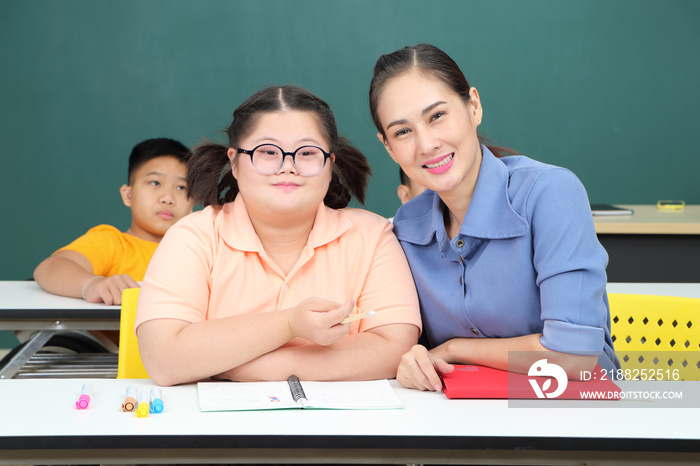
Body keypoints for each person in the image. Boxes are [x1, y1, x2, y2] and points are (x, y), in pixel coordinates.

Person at [369, 44, 620, 391]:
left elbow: (574, 357)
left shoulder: (551, 194)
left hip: (575, 414)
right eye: (402, 131)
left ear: (473, 106)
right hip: (464, 420)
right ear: (388, 147)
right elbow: (411, 349)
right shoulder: (407, 228)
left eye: (437, 116)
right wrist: (413, 360)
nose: (426, 144)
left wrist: (456, 350)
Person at [135, 85, 421, 387]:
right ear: (234, 161)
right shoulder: (192, 237)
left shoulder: (373, 236)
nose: (288, 166)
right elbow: (164, 358)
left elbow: (395, 347)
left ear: (329, 165)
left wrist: (234, 365)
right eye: (268, 152)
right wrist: (289, 323)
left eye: (308, 153)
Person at [34, 138, 194, 305]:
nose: (167, 198)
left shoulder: (203, 253)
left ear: (193, 202)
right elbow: (49, 268)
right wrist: (91, 285)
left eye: (181, 187)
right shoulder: (112, 244)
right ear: (128, 195)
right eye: (155, 183)